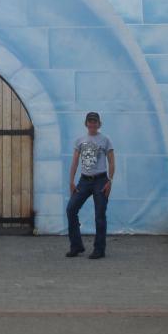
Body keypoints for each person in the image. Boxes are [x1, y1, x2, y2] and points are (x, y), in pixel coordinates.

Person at [65, 111, 115, 259]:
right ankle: (77, 246)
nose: (92, 124)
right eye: (90, 121)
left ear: (99, 124)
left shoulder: (105, 140)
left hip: (100, 181)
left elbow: (112, 161)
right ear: (86, 123)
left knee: (99, 215)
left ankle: (99, 249)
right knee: (71, 209)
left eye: (95, 122)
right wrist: (71, 181)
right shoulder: (79, 140)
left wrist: (110, 181)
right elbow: (74, 162)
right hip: (84, 181)